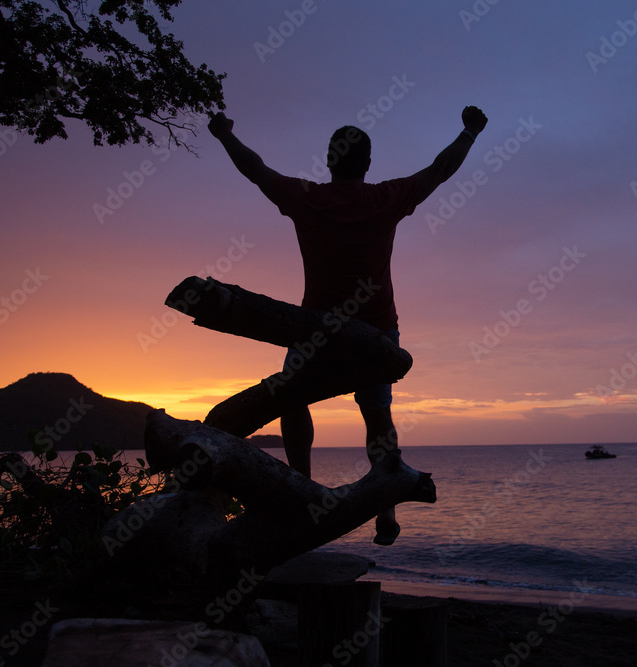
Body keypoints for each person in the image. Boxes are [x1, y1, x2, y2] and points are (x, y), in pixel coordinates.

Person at [208, 105, 488, 545]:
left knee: (291, 398)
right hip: (377, 333)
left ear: (329, 160)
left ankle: (300, 485)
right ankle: (386, 507)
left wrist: (224, 135)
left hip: (316, 330)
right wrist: (470, 132)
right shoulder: (385, 198)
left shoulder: (307, 198)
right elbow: (441, 169)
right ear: (368, 164)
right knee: (376, 416)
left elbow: (255, 169)